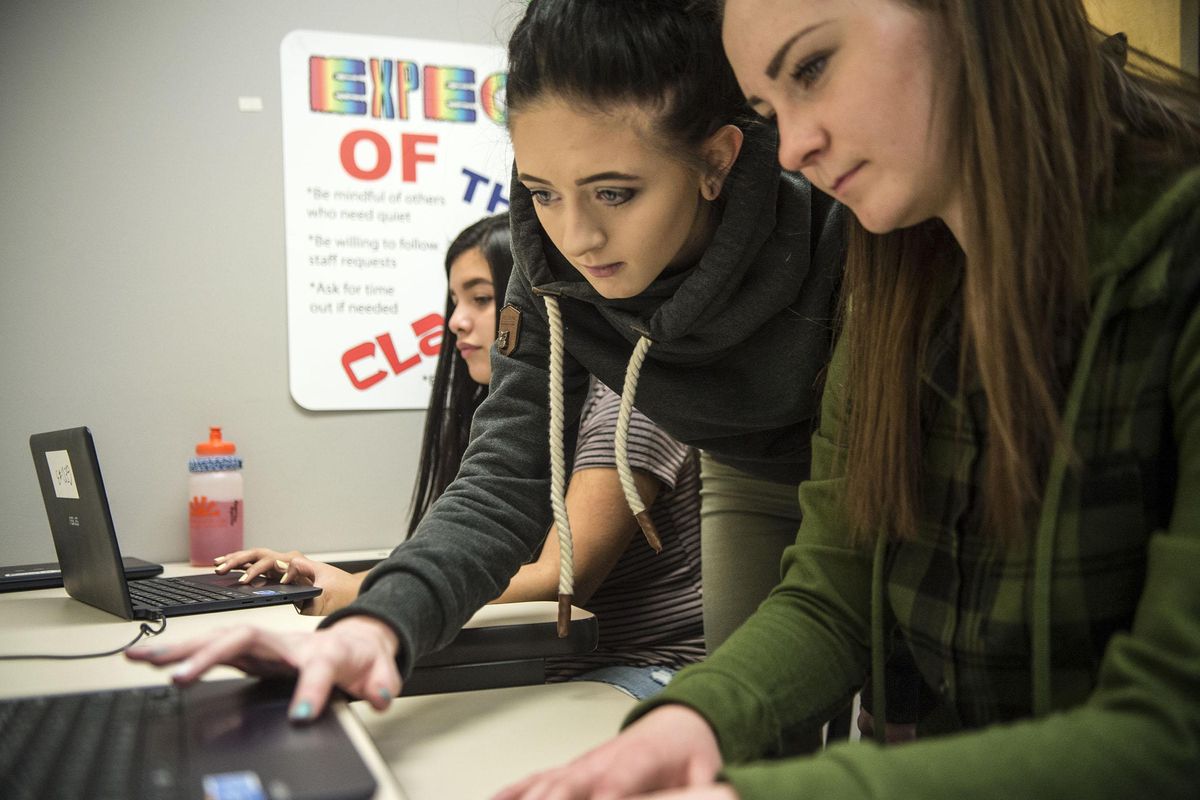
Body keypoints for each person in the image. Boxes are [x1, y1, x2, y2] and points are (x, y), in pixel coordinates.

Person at [493, 0, 1200, 797]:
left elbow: (1174, 727)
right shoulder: (897, 268)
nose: (795, 145)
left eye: (813, 69)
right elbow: (836, 587)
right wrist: (685, 723)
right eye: (768, 109)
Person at [126, 0, 845, 731]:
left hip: (868, 448)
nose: (577, 236)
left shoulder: (835, 226)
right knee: (753, 733)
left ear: (716, 161)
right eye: (542, 193)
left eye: (614, 193)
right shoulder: (547, 263)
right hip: (747, 465)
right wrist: (375, 624)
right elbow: (503, 483)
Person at [216, 213, 706, 697]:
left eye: (481, 298)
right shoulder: (520, 415)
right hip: (562, 670)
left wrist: (351, 590)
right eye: (455, 300)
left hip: (649, 670)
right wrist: (338, 580)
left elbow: (559, 579)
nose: (456, 321)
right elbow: (475, 547)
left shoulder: (625, 403)